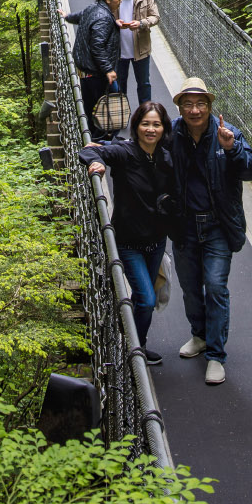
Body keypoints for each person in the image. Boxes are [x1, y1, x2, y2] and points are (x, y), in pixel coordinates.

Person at [169, 77, 252, 386]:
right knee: (191, 288)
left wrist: (232, 149)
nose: (195, 110)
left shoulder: (226, 132)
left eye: (201, 104)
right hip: (184, 225)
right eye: (188, 104)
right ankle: (200, 335)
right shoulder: (172, 133)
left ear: (209, 106)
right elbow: (142, 151)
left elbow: (249, 169)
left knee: (215, 286)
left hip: (217, 224)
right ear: (179, 107)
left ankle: (216, 355)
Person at [79, 102, 177, 366]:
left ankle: (134, 345)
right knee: (145, 298)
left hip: (156, 241)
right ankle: (134, 351)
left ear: (164, 128)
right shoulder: (125, 152)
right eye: (145, 123)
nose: (151, 129)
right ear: (136, 126)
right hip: (128, 242)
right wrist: (98, 163)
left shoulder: (166, 157)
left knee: (144, 297)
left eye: (156, 124)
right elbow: (87, 152)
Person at [64, 0, 121, 134]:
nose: (120, 1)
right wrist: (108, 69)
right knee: (104, 107)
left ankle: (95, 138)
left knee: (92, 107)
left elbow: (79, 16)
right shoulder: (103, 17)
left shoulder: (93, 8)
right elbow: (97, 45)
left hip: (85, 70)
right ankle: (101, 141)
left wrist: (66, 16)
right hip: (96, 73)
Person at [114, 0, 160, 108]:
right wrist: (114, 21)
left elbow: (155, 17)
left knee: (144, 83)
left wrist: (141, 23)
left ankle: (145, 115)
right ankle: (122, 113)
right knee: (119, 83)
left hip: (141, 47)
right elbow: (101, 13)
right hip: (118, 48)